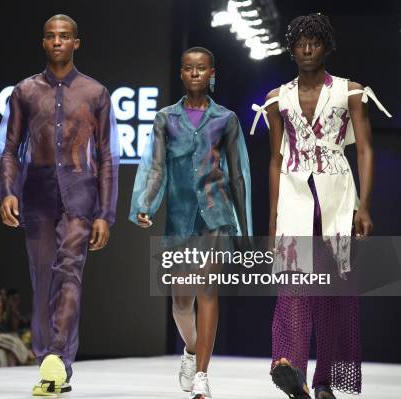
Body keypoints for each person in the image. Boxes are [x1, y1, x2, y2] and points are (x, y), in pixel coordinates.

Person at [250, 13, 391, 399]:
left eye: (314, 41)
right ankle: (291, 367)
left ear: (326, 46)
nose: (307, 48)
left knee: (331, 293)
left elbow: (365, 148)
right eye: (300, 42)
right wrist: (273, 219)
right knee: (293, 286)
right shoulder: (277, 98)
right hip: (295, 197)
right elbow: (276, 160)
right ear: (291, 49)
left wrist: (364, 206)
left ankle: (325, 380)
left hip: (338, 198)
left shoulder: (350, 91)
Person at [0, 14, 119, 395]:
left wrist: (105, 213)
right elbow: (9, 147)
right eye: (51, 36)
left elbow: (108, 156)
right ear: (43, 42)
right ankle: (47, 360)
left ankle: (58, 361)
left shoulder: (96, 93)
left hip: (80, 194)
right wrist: (7, 192)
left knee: (70, 272)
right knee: (43, 279)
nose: (57, 42)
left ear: (76, 42)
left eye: (64, 36)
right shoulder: (25, 91)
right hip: (37, 194)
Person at [129, 47, 252, 399]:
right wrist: (145, 203)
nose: (195, 73)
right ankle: (192, 349)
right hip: (180, 217)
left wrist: (242, 230)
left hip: (215, 215)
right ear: (181, 73)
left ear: (212, 72)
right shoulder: (165, 119)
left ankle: (202, 375)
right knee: (181, 303)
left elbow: (238, 175)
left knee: (207, 291)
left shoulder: (225, 119)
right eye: (188, 68)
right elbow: (155, 167)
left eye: (201, 68)